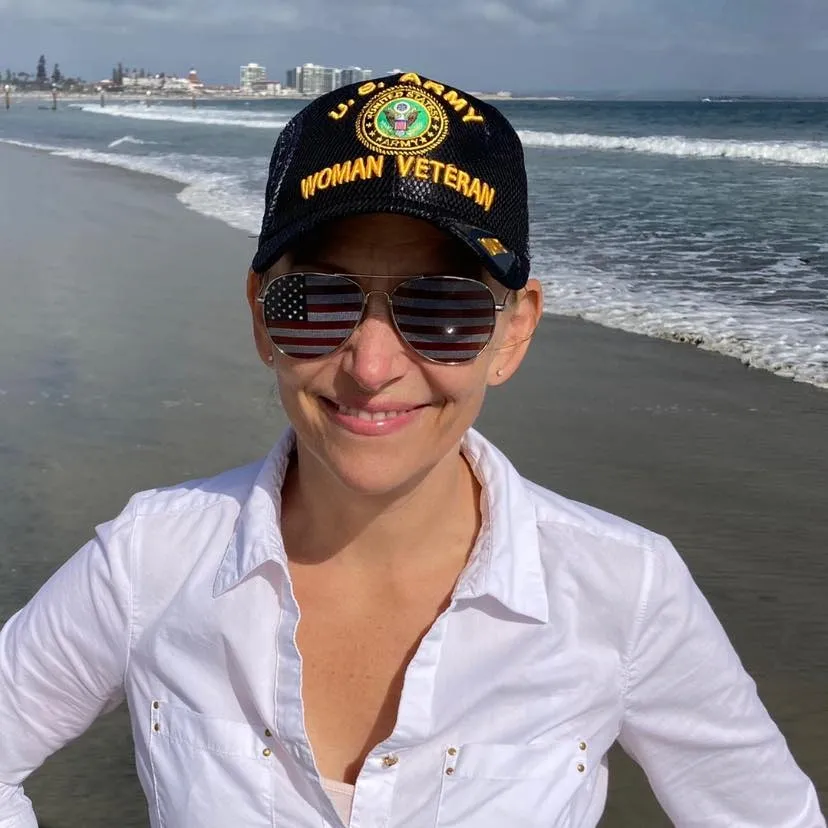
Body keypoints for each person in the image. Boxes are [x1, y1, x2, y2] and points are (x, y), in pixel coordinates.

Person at [0, 71, 823, 828]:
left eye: (444, 310)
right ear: (260, 315)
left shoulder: (623, 588)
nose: (372, 366)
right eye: (316, 301)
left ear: (514, 333)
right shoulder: (149, 561)